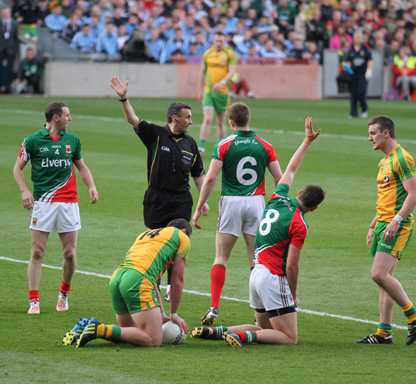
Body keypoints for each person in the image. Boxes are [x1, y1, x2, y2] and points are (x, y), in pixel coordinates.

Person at [191, 117, 324, 346]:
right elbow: (291, 265)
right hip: (272, 278)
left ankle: (215, 332)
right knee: (289, 337)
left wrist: (306, 142)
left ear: (299, 192)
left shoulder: (277, 197)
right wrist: (292, 294)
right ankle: (241, 336)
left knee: (265, 327)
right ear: (314, 208)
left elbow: (290, 170)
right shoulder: (299, 224)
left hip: (256, 277)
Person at [110, 76, 208, 301]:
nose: (191, 122)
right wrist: (124, 98)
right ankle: (154, 284)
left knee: (178, 243)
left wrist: (203, 201)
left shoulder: (191, 143)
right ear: (175, 118)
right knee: (155, 245)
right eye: (188, 118)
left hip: (182, 200)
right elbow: (132, 119)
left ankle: (173, 288)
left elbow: (198, 175)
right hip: (157, 198)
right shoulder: (155, 134)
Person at [192, 102, 282, 325]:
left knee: (221, 258)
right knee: (257, 260)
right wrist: (274, 205)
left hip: (231, 202)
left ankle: (214, 307)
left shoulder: (224, 143)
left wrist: (199, 205)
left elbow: (211, 177)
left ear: (231, 122)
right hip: (256, 202)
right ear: (248, 118)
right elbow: (280, 178)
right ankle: (262, 311)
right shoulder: (265, 145)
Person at [13, 102, 99, 315]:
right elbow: (17, 168)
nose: (70, 119)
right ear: (55, 118)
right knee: (37, 251)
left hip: (69, 203)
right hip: (43, 203)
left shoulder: (73, 140)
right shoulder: (32, 141)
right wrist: (25, 190)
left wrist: (92, 186)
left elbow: (81, 166)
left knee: (69, 253)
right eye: (67, 116)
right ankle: (34, 301)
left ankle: (64, 294)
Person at [63, 219, 192, 348]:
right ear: (184, 231)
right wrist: (174, 315)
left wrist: (163, 316)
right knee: (153, 340)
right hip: (137, 280)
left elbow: (153, 283)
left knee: (132, 334)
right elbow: (177, 278)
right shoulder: (182, 237)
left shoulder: (148, 234)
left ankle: (86, 326)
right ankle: (98, 329)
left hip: (118, 278)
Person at [356, 115, 416, 345]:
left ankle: (413, 314)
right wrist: (373, 224)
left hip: (397, 225)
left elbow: (415, 194)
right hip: (383, 224)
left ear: (386, 133)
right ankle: (384, 332)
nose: (369, 138)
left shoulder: (403, 159)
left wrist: (396, 221)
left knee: (378, 274)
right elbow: (387, 197)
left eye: (373, 133)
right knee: (385, 279)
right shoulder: (384, 161)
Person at [197, 32, 237, 155]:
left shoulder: (229, 53)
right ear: (213, 42)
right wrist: (199, 90)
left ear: (224, 42)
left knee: (220, 121)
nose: (219, 43)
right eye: (217, 41)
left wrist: (222, 82)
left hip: (223, 93)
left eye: (221, 41)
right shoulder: (207, 53)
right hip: (209, 91)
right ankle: (201, 148)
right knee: (207, 118)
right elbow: (202, 72)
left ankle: (220, 148)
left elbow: (232, 71)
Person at [347, 30, 373, 119]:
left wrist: (369, 70)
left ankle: (364, 109)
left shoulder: (365, 49)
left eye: (359, 37)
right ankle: (353, 112)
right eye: (356, 37)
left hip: (362, 74)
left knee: (361, 92)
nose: (357, 39)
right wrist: (347, 67)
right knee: (353, 93)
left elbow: (369, 60)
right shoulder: (351, 49)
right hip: (353, 74)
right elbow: (349, 61)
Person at [0, 7, 19, 94]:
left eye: (7, 13)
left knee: (10, 70)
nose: (5, 14)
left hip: (10, 50)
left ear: (10, 13)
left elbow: (16, 38)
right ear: (2, 14)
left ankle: (8, 89)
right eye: (4, 13)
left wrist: (15, 50)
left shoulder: (15, 24)